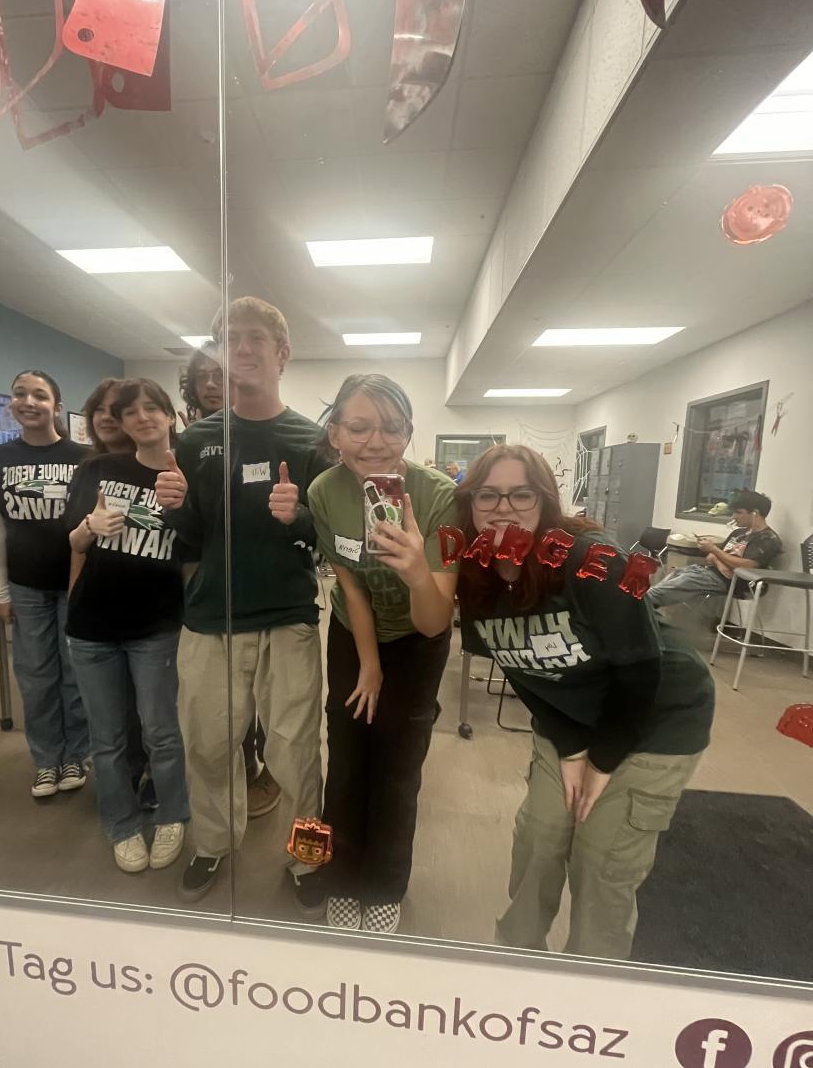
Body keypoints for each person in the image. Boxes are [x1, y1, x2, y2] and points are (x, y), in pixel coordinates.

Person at [454, 445, 715, 961]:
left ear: (544, 502)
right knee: (541, 837)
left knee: (601, 858)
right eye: (488, 495)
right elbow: (517, 666)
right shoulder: (473, 570)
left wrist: (603, 760)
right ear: (471, 504)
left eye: (521, 495)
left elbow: (641, 669)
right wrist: (571, 745)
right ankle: (516, 956)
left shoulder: (590, 561)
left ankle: (593, 978)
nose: (503, 508)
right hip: (569, 714)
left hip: (656, 716)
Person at [156, 296, 326, 911]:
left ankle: (308, 856)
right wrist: (174, 507)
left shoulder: (312, 440)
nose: (243, 348)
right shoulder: (198, 439)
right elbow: (190, 538)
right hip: (211, 621)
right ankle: (212, 842)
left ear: (282, 354)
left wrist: (298, 517)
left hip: (287, 618)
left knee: (296, 753)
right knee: (207, 746)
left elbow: (330, 540)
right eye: (230, 339)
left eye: (256, 337)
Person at [308, 375, 458, 933]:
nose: (376, 441)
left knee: (397, 768)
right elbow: (349, 586)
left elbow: (435, 619)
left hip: (420, 639)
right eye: (359, 427)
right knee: (346, 758)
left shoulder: (439, 496)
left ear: (409, 432)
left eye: (392, 428)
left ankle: (384, 885)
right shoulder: (324, 492)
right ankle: (341, 877)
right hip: (355, 633)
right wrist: (368, 665)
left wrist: (417, 571)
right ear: (335, 434)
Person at [66, 379, 191, 873]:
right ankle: (121, 825)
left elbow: (195, 553)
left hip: (156, 626)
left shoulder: (187, 477)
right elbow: (73, 541)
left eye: (152, 407)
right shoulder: (96, 470)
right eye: (131, 411)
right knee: (108, 738)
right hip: (92, 625)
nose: (143, 417)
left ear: (169, 416)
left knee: (162, 732)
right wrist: (88, 528)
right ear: (120, 422)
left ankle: (172, 814)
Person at [0, 370, 90, 798]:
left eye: (40, 395)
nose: (29, 402)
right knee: (36, 676)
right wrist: (0, 591)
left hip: (77, 584)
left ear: (57, 406)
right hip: (26, 585)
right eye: (20, 394)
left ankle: (76, 754)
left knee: (75, 673)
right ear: (11, 404)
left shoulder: (85, 457)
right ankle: (46, 760)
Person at [178, 345, 280, 816]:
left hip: (261, 590)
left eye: (220, 375)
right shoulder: (190, 441)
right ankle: (223, 792)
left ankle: (257, 767)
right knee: (211, 705)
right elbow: (188, 524)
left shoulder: (267, 433)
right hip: (204, 588)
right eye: (203, 377)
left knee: (258, 698)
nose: (212, 384)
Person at [81, 377, 155, 809]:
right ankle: (124, 780)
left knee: (156, 714)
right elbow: (76, 544)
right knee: (115, 711)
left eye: (119, 410)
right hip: (99, 611)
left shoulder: (170, 469)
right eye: (106, 410)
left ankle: (154, 775)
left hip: (156, 615)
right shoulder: (93, 470)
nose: (109, 418)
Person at [647, 491, 782, 609]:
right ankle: (645, 609)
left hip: (734, 582)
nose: (734, 517)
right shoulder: (738, 533)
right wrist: (719, 562)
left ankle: (641, 606)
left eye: (739, 512)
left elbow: (748, 565)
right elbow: (711, 557)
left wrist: (714, 550)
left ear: (755, 513)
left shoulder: (768, 538)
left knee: (663, 591)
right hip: (709, 572)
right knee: (671, 578)